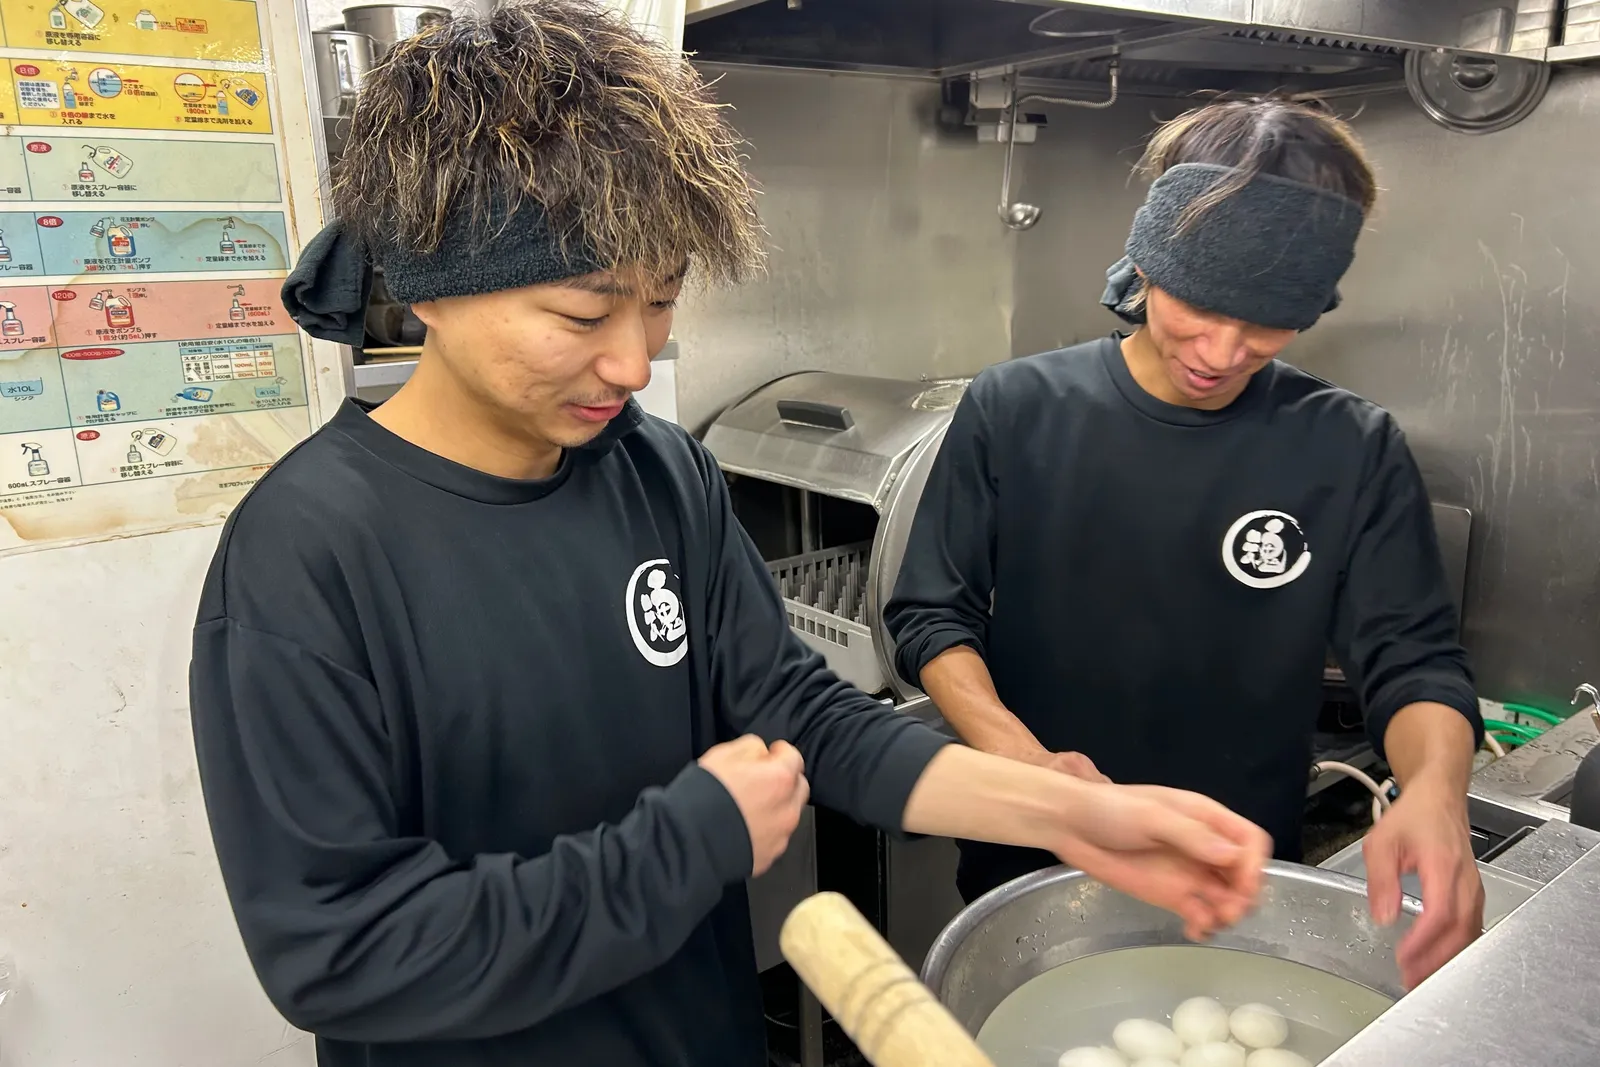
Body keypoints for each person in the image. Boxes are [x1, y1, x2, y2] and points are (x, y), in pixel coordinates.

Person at [186, 6, 1272, 1066]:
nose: (631, 361)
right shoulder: (307, 555)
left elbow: (804, 712)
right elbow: (339, 951)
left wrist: (1067, 809)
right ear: (431, 285)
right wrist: (685, 841)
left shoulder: (655, 471)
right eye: (582, 314)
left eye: (661, 303)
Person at [884, 98, 1486, 990]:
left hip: (1236, 867)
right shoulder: (1016, 409)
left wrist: (1434, 792)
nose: (1223, 349)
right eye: (1198, 304)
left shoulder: (1349, 445)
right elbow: (932, 614)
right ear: (1149, 261)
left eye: (1269, 323)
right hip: (1038, 844)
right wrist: (1023, 760)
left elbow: (1414, 657)